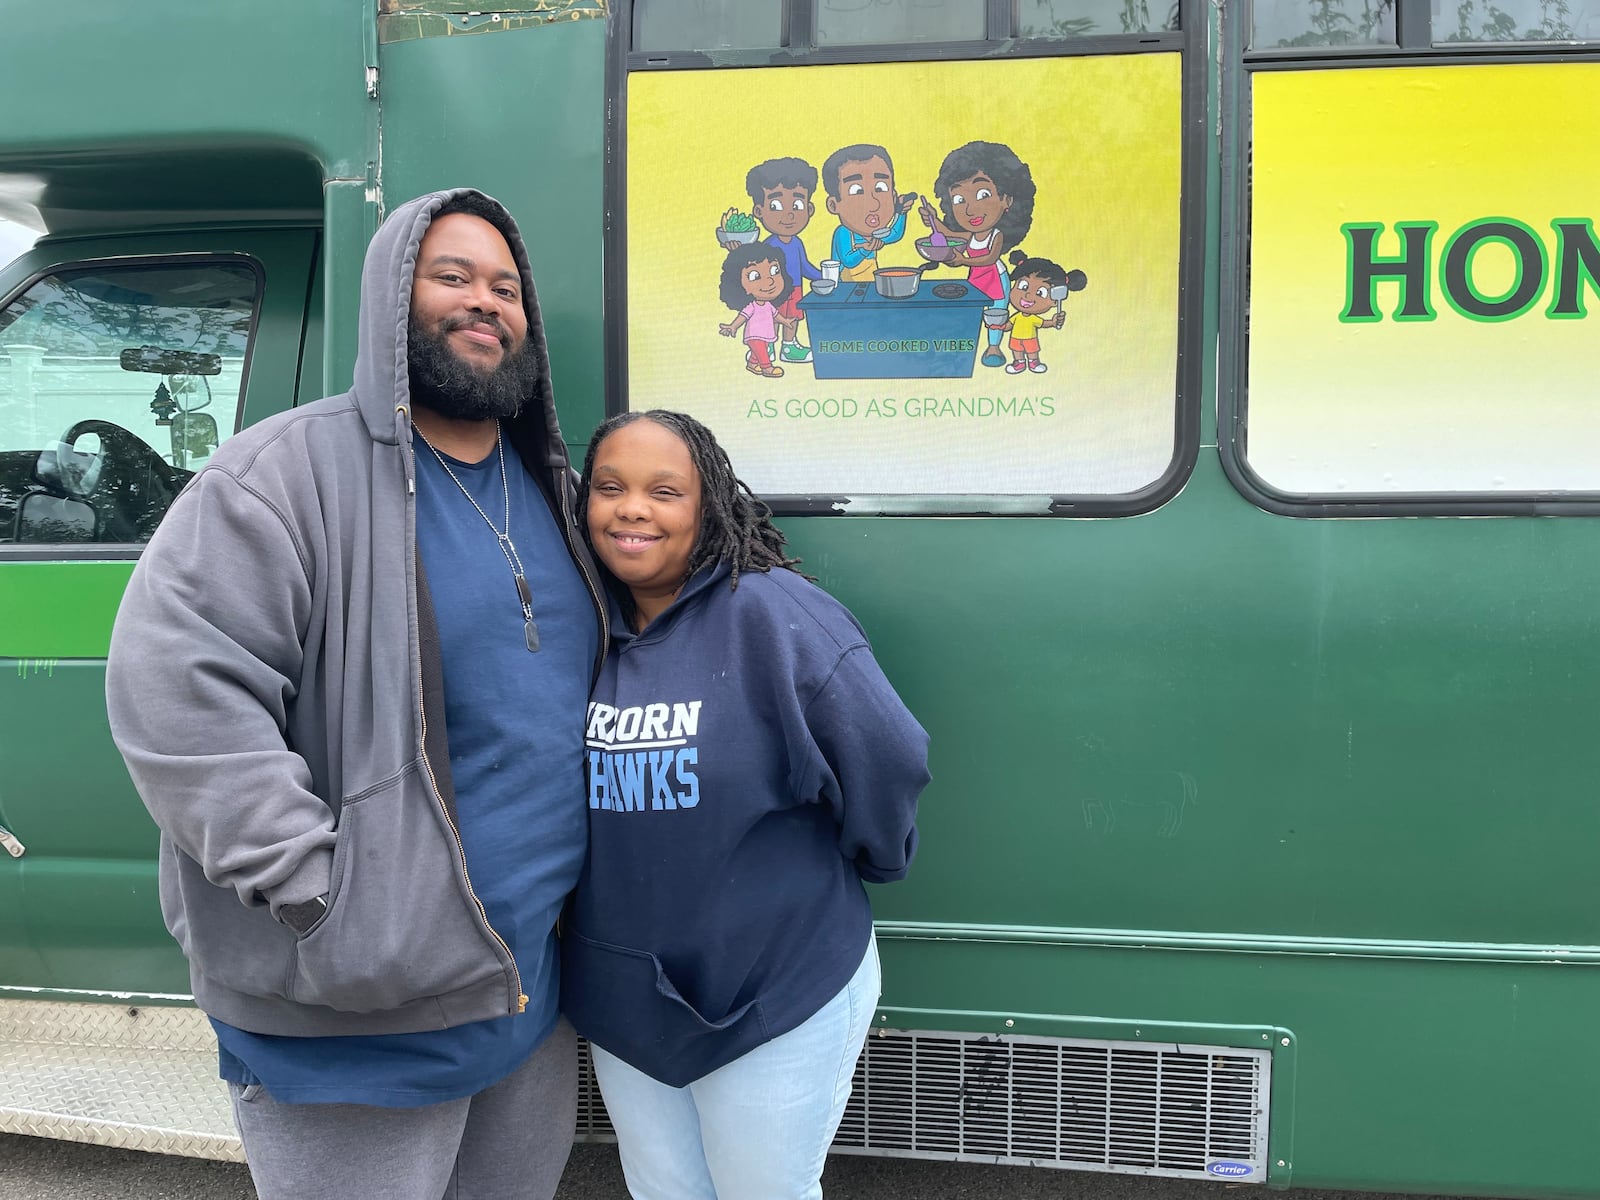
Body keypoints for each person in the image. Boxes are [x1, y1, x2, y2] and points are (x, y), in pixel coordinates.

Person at [104, 189, 606, 1200]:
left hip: (524, 998)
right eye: (452, 276)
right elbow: (178, 694)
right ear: (390, 295)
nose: (485, 303)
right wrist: (325, 899)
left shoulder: (552, 484)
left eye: (505, 288)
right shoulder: (280, 476)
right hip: (356, 1017)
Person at [562, 409, 930, 1200]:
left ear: (709, 506)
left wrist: (879, 856)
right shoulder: (577, 629)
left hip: (775, 987)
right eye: (610, 488)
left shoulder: (771, 614)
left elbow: (889, 753)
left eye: (665, 491)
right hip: (626, 999)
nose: (632, 508)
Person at [918, 140, 1037, 368]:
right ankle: (965, 345)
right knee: (972, 308)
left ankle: (994, 347)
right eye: (959, 199)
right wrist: (933, 218)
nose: (970, 209)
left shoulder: (995, 236)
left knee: (995, 313)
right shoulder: (971, 236)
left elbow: (989, 259)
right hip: (975, 279)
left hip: (995, 279)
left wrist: (962, 260)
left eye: (982, 194)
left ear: (1006, 200)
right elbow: (948, 233)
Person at [746, 156, 823, 364]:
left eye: (797, 204)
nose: (789, 215)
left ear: (809, 209)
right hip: (774, 290)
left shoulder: (797, 243)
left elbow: (804, 266)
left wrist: (822, 276)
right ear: (759, 211)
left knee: (794, 317)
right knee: (772, 317)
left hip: (796, 288)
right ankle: (767, 346)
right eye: (776, 205)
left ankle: (789, 346)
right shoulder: (768, 245)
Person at [822, 143, 916, 283]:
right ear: (833, 205)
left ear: (893, 196)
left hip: (869, 286)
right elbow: (848, 261)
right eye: (857, 191)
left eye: (880, 187)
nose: (873, 204)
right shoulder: (844, 232)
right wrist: (865, 250)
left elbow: (894, 234)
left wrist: (901, 212)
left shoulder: (875, 233)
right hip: (844, 292)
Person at [717, 242, 795, 379]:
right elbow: (742, 316)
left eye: (774, 271)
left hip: (765, 335)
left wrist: (785, 321)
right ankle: (767, 368)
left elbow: (776, 315)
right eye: (755, 276)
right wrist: (733, 326)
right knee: (761, 351)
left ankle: (752, 364)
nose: (770, 281)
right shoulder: (752, 306)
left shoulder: (768, 305)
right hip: (754, 335)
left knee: (758, 351)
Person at [1001, 250, 1070, 374]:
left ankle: (1034, 362)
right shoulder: (1016, 316)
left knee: (1032, 351)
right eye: (1023, 286)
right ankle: (1019, 363)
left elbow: (1043, 323)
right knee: (1016, 350)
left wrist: (1054, 322)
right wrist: (998, 325)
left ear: (1054, 300)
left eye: (1040, 293)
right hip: (1015, 339)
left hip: (1030, 339)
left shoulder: (1033, 319)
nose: (1027, 295)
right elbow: (1008, 326)